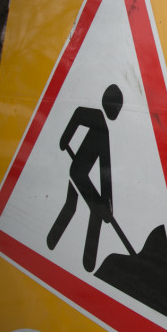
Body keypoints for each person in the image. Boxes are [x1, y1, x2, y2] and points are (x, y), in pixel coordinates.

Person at [47, 84, 124, 271]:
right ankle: (58, 244)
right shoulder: (96, 117)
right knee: (90, 209)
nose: (117, 112)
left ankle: (82, 259)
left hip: (79, 173)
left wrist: (108, 204)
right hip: (78, 173)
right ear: (109, 104)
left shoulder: (104, 131)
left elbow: (104, 170)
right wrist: (65, 139)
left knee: (73, 205)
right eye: (116, 108)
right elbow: (79, 114)